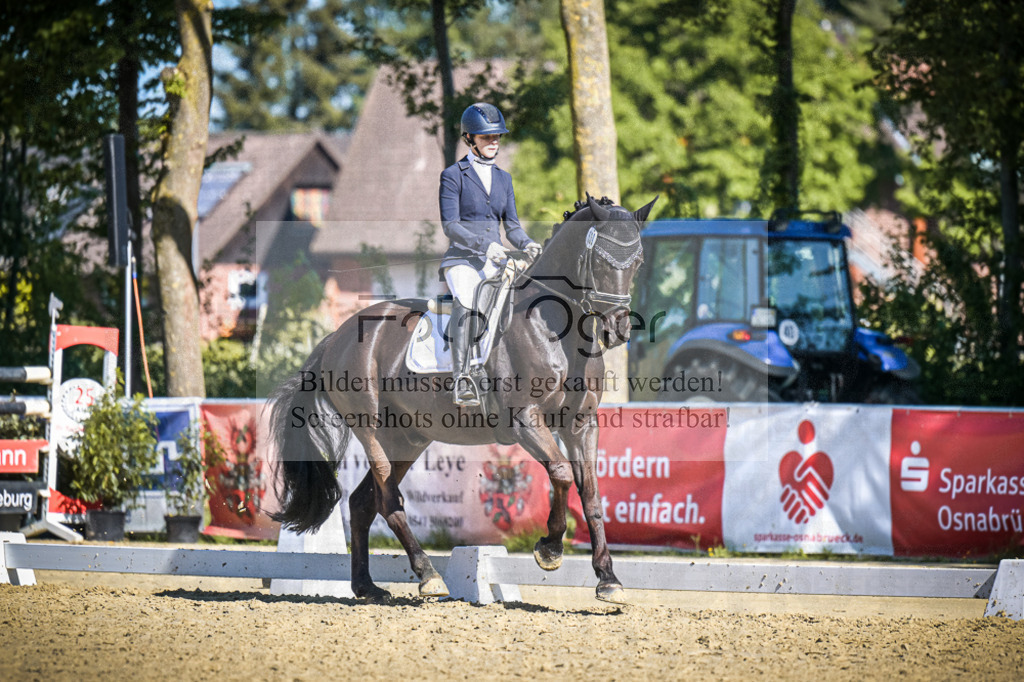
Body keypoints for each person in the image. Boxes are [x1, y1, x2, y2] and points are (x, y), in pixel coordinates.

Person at [439, 102, 542, 406]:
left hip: (495, 262)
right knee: (470, 300)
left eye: (497, 136)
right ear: (469, 138)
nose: (493, 142)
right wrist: (486, 247)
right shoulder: (453, 175)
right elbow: (451, 226)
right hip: (462, 261)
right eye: (486, 137)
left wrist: (527, 244)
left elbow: (511, 227)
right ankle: (462, 378)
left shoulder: (504, 179)